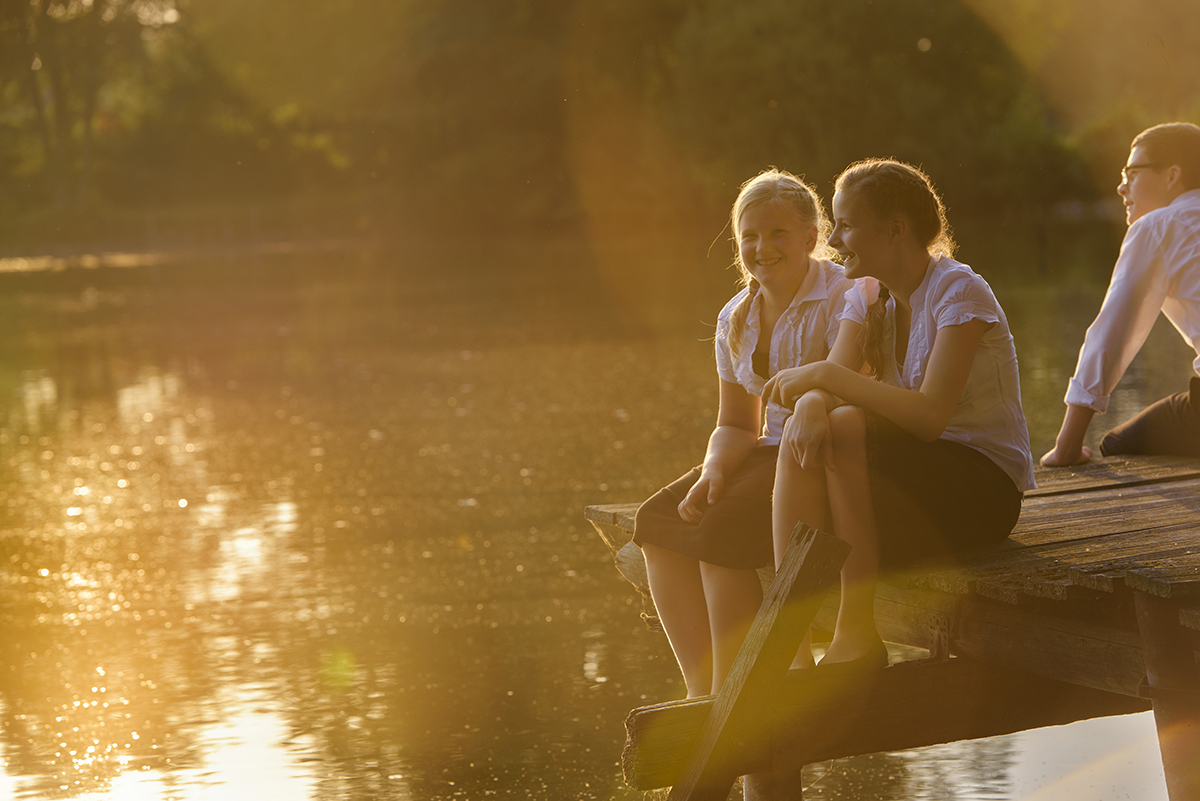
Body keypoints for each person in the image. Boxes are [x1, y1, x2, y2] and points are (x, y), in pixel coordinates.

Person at [765, 159, 1035, 669]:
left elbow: (931, 417)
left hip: (982, 491)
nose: (834, 238)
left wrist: (824, 380)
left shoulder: (960, 292)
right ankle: (791, 643)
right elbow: (833, 379)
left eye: (846, 224)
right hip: (916, 483)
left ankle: (857, 631)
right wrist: (810, 400)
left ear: (895, 230)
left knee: (844, 423)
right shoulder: (868, 295)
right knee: (825, 428)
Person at [633, 169, 853, 698]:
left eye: (778, 233)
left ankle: (744, 691)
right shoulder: (736, 316)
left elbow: (857, 388)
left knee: (722, 533)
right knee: (654, 522)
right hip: (766, 451)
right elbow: (736, 424)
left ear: (810, 236)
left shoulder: (843, 297)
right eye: (749, 236)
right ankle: (701, 690)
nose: (762, 247)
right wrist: (714, 469)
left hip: (821, 455)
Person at [1041, 122, 1200, 466]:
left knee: (1117, 443)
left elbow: (1110, 336)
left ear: (1173, 175)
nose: (1120, 186)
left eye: (1132, 172)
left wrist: (1067, 446)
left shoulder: (1158, 226)